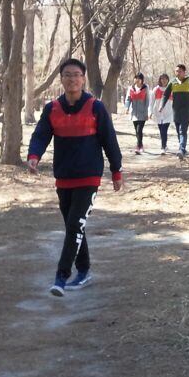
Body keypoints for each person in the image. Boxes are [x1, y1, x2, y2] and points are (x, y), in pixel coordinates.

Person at [27, 59, 123, 296]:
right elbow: (40, 135)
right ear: (61, 79)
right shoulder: (52, 109)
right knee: (74, 226)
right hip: (64, 177)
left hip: (89, 176)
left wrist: (116, 171)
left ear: (83, 79)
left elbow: (109, 140)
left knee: (74, 225)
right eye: (67, 75)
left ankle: (61, 278)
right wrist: (34, 156)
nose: (72, 79)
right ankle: (84, 270)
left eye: (76, 75)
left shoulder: (95, 107)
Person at [160, 63, 189, 159]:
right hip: (176, 111)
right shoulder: (172, 82)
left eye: (179, 71)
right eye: (176, 71)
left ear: (184, 72)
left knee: (182, 130)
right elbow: (166, 95)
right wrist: (162, 105)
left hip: (186, 111)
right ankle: (183, 148)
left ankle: (181, 149)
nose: (177, 73)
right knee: (178, 131)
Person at [125, 73, 149, 155]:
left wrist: (146, 112)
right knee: (137, 131)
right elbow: (128, 99)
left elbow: (147, 101)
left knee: (139, 130)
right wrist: (127, 108)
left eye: (139, 78)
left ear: (142, 80)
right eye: (136, 78)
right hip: (134, 113)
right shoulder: (131, 88)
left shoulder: (145, 88)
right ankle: (141, 145)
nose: (137, 80)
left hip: (142, 113)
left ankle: (138, 147)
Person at [152, 73, 174, 153]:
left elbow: (175, 100)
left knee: (164, 129)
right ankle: (165, 145)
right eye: (162, 78)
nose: (164, 80)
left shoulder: (171, 89)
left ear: (168, 80)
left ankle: (163, 147)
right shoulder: (156, 89)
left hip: (168, 113)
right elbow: (151, 102)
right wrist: (150, 112)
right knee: (161, 130)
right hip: (158, 113)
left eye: (165, 79)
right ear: (160, 80)